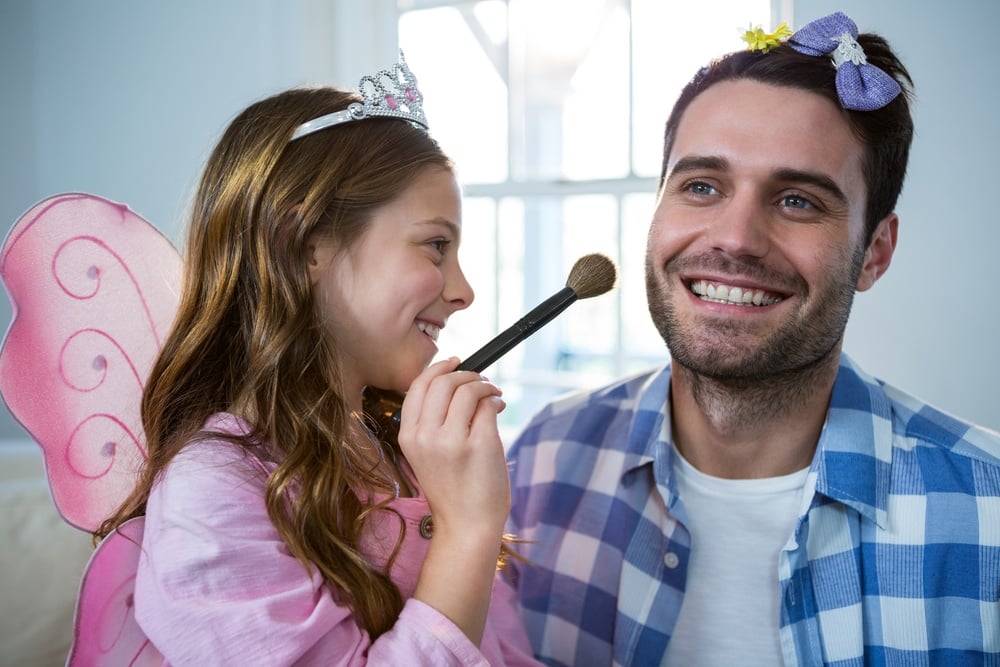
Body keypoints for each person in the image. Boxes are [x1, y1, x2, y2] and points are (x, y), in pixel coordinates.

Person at [504, 12, 1000, 666]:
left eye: (798, 200)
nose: (735, 238)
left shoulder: (986, 510)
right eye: (702, 186)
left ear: (875, 252)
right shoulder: (541, 459)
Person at [92, 54, 541, 665]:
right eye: (436, 245)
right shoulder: (214, 489)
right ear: (307, 246)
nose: (464, 290)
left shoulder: (399, 452)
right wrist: (466, 531)